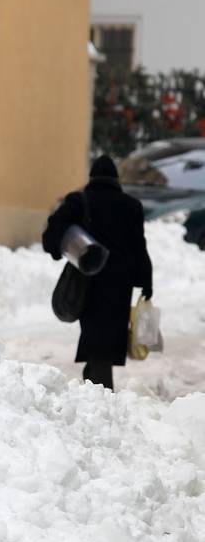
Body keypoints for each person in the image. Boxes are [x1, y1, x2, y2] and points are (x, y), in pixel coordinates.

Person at [42, 155, 153, 391]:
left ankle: (99, 391)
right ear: (115, 179)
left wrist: (55, 249)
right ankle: (97, 387)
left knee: (95, 337)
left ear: (92, 178)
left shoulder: (81, 201)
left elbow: (53, 230)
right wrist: (146, 281)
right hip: (120, 285)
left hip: (89, 280)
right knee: (108, 339)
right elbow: (139, 246)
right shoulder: (132, 206)